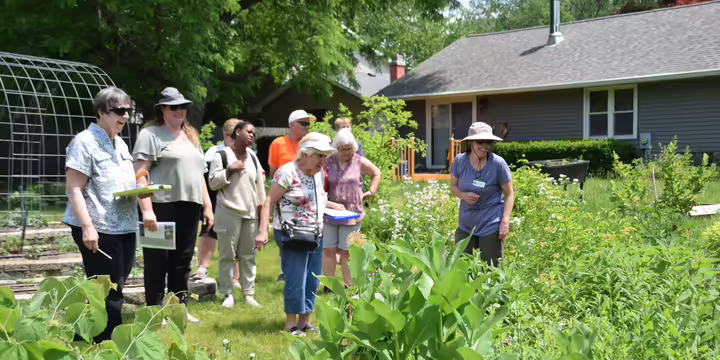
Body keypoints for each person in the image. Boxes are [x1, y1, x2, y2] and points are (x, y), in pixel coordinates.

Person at [63, 87, 143, 342]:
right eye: (119, 110)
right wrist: (87, 227)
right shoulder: (84, 141)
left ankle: (84, 339)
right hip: (98, 227)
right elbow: (74, 188)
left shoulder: (119, 143)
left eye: (128, 111)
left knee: (112, 287)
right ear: (101, 112)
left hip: (124, 226)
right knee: (109, 291)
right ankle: (112, 345)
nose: (125, 116)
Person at [132, 87, 214, 323]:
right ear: (163, 110)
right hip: (161, 206)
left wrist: (207, 207)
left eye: (182, 106)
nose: (179, 111)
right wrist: (146, 209)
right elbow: (140, 173)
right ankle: (155, 311)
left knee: (183, 261)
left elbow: (199, 176)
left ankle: (180, 309)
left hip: (190, 206)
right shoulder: (151, 134)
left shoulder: (191, 137)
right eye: (173, 107)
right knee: (157, 260)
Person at [256, 132, 344, 336]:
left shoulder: (317, 173)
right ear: (306, 154)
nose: (324, 160)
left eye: (325, 156)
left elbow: (315, 199)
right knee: (296, 277)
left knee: (313, 278)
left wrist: (332, 205)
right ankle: (290, 325)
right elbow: (269, 201)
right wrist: (263, 231)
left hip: (315, 233)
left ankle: (305, 322)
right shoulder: (287, 172)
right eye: (320, 155)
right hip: (292, 233)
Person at [209, 121, 266, 308]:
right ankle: (228, 294)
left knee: (248, 255)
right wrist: (229, 170)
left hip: (250, 214)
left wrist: (263, 219)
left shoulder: (254, 157)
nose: (252, 135)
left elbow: (260, 190)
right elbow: (213, 183)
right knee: (227, 255)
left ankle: (248, 294)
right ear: (238, 132)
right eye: (249, 131)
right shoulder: (222, 155)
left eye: (254, 133)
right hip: (228, 212)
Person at [450, 122, 515, 267]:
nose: (485, 146)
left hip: (490, 225)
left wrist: (505, 220)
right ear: (471, 142)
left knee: (492, 271)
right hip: (465, 226)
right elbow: (453, 187)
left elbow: (509, 194)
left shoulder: (498, 163)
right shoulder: (460, 161)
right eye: (480, 141)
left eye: (488, 142)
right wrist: (463, 195)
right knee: (460, 269)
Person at [322, 129, 381, 289]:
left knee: (347, 252)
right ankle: (330, 284)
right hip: (331, 213)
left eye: (349, 148)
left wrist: (371, 192)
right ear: (336, 148)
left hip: (353, 213)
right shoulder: (328, 161)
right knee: (328, 249)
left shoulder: (359, 161)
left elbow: (376, 173)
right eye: (343, 149)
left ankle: (350, 285)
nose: (347, 152)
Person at [267, 109, 315, 281]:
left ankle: (301, 270)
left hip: (307, 197)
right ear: (292, 125)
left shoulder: (309, 145)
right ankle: (284, 270)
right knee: (284, 230)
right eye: (304, 123)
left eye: (309, 124)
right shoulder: (278, 144)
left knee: (303, 232)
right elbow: (273, 171)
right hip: (284, 194)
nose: (307, 127)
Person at [195, 119, 242, 288]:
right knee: (209, 231)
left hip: (238, 201)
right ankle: (203, 268)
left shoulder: (247, 153)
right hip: (216, 200)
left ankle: (234, 278)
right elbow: (207, 180)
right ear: (227, 136)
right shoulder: (214, 153)